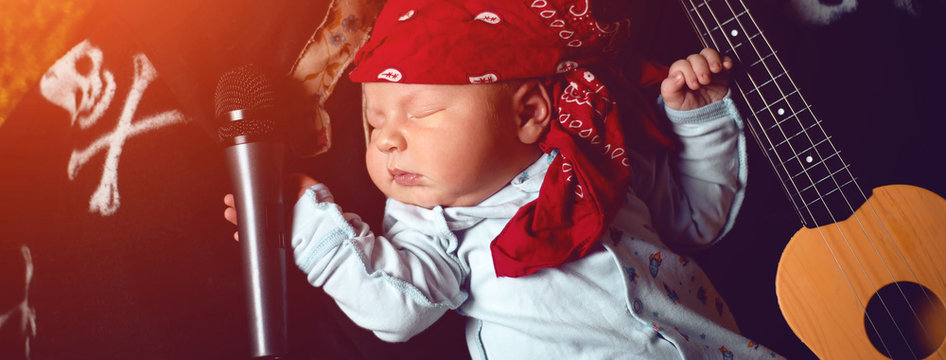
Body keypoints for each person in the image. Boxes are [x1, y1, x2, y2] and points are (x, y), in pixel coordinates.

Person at [225, 0, 784, 358]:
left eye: (418, 113)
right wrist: (302, 222)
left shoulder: (600, 155)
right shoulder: (430, 222)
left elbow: (698, 220)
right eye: (373, 124)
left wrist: (699, 119)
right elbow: (395, 310)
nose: (388, 139)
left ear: (527, 113)